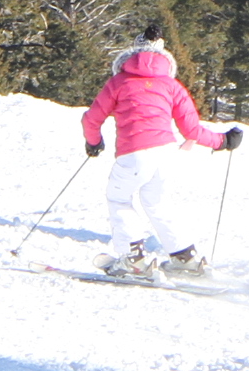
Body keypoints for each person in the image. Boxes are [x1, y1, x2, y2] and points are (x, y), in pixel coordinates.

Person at [80, 24, 238, 279]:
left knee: (119, 199)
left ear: (131, 54)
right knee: (158, 201)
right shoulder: (172, 85)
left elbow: (91, 119)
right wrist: (223, 141)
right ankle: (185, 258)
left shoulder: (119, 82)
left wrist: (94, 142)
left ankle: (133, 260)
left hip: (134, 154)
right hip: (166, 153)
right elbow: (192, 130)